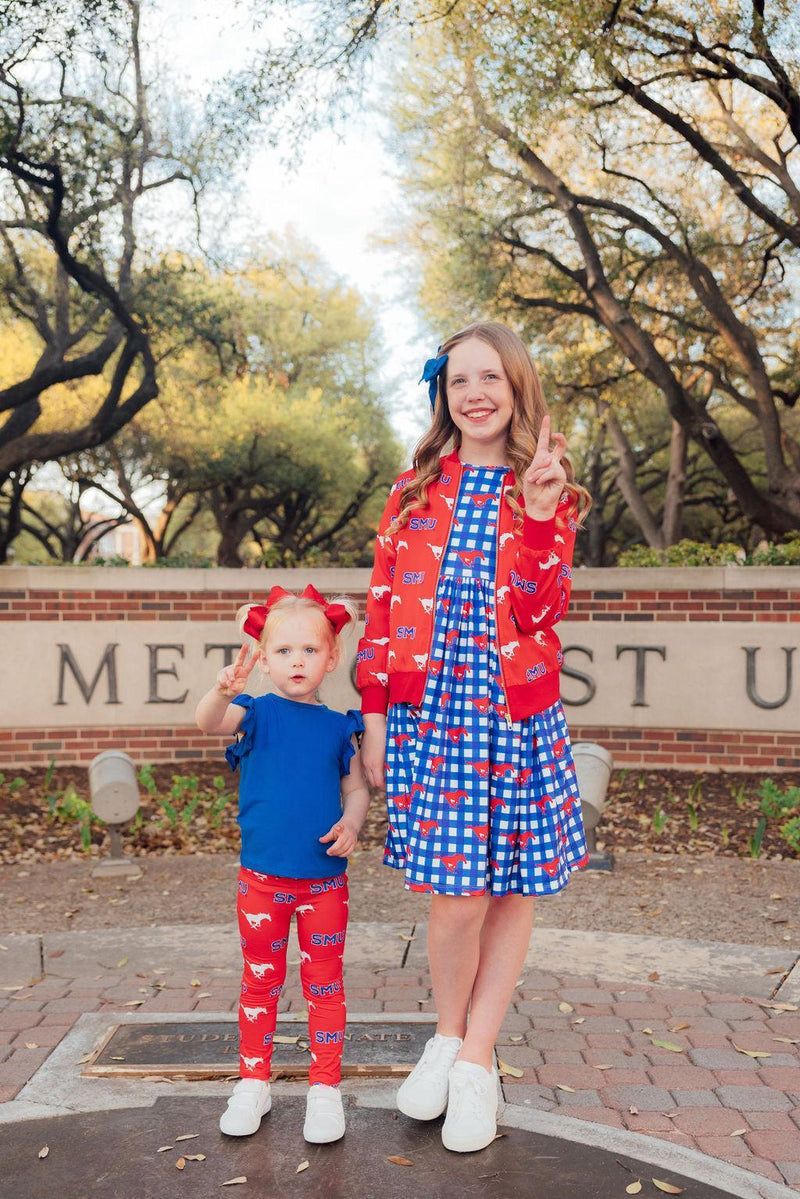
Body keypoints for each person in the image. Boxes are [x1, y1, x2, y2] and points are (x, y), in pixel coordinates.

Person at [356, 321, 592, 1153]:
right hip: (433, 716)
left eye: (491, 377)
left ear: (518, 388)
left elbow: (539, 609)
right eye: (459, 380)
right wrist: (376, 718)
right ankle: (448, 1040)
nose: (475, 393)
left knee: (512, 888)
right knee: (453, 899)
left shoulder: (549, 491)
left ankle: (475, 1060)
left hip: (516, 716)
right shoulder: (414, 489)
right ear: (443, 394)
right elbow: (381, 610)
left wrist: (534, 514)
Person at [196, 584, 368, 1145]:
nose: (297, 661)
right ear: (265, 660)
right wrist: (221, 692)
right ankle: (253, 1083)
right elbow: (208, 724)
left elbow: (357, 786)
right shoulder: (256, 712)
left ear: (331, 657)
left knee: (325, 985)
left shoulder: (341, 725)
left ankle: (325, 1089)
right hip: (262, 882)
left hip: (324, 884)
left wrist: (352, 822)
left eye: (310, 651)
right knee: (260, 983)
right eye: (284, 651)